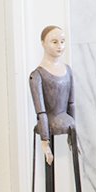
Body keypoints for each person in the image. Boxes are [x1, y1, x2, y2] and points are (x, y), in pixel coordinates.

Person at [29, 26, 77, 166]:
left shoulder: (68, 70)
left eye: (62, 41)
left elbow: (71, 103)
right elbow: (41, 111)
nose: (60, 46)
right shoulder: (37, 75)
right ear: (43, 43)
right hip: (49, 123)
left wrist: (73, 135)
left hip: (68, 122)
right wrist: (45, 143)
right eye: (54, 42)